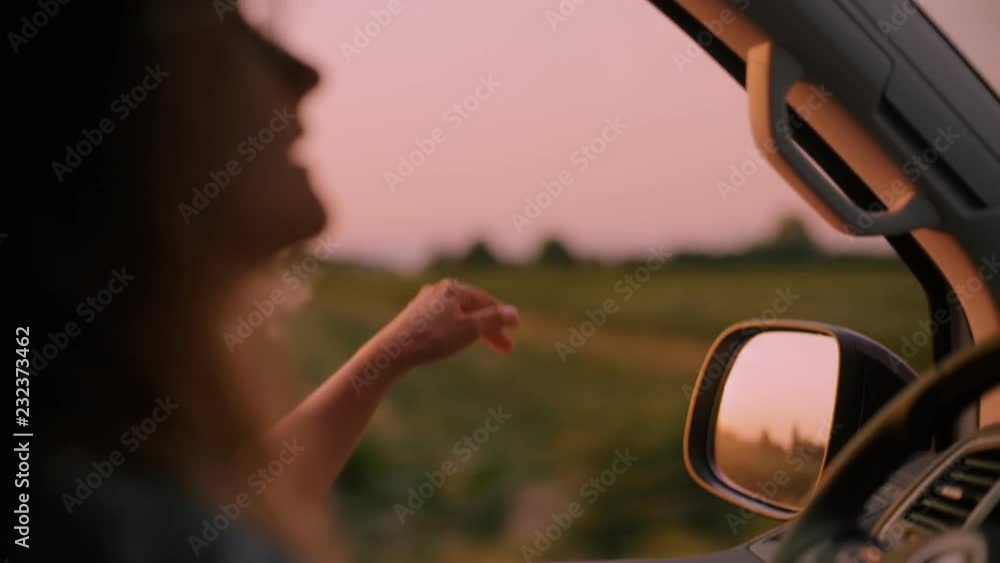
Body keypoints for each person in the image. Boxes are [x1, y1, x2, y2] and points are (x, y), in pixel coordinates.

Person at [17, 1, 519, 561]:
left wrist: (392, 354)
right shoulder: (80, 519)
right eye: (227, 28)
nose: (305, 73)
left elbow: (226, 510)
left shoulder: (82, 478)